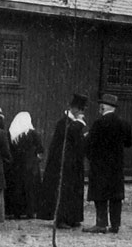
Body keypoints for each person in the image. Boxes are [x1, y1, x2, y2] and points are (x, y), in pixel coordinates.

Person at [40, 94, 90, 228]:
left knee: (73, 190)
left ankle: (72, 217)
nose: (82, 113)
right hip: (63, 164)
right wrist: (79, 124)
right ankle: (61, 219)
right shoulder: (64, 123)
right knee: (64, 191)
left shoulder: (71, 123)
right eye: (80, 110)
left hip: (73, 163)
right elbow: (69, 137)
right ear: (74, 109)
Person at [86, 92, 132, 234]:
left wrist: (91, 156)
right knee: (115, 196)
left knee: (100, 196)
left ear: (103, 107)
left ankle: (101, 224)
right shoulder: (124, 124)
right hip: (116, 166)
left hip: (100, 165)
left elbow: (90, 144)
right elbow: (128, 143)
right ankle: (115, 225)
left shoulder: (99, 123)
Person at [7, 111, 43, 220]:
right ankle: (30, 211)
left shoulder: (11, 133)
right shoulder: (32, 133)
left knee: (17, 187)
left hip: (16, 165)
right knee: (30, 188)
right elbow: (41, 148)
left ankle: (16, 211)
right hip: (30, 165)